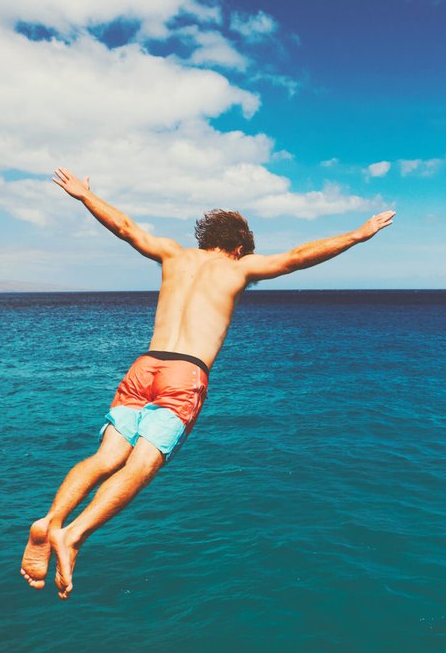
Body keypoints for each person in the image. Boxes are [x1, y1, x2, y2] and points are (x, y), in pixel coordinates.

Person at [20, 167, 395, 599]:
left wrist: (85, 196)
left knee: (105, 458)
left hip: (144, 366)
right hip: (184, 374)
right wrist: (357, 235)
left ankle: (50, 522)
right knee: (142, 464)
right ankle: (75, 534)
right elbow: (297, 256)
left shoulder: (172, 255)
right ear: (239, 247)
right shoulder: (237, 267)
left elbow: (124, 226)